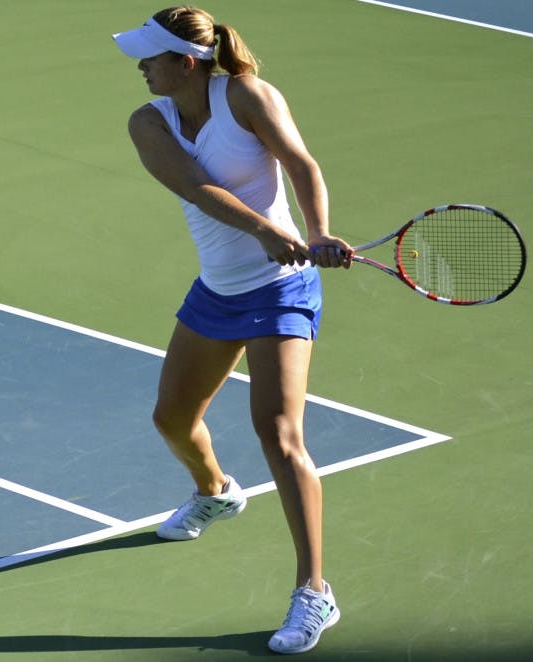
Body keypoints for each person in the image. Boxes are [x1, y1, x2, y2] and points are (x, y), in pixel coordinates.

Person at [112, 6, 354, 655]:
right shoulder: (149, 122)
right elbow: (196, 186)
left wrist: (317, 231)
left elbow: (301, 165)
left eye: (150, 57)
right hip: (219, 291)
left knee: (279, 433)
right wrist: (268, 231)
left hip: (281, 291)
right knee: (171, 418)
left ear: (184, 63)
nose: (140, 67)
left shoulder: (246, 96)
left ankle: (314, 592)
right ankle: (215, 491)